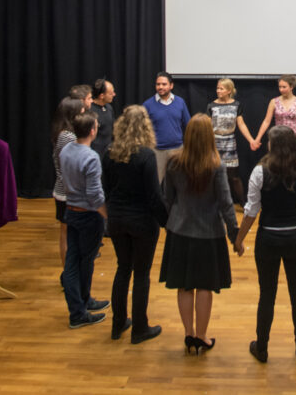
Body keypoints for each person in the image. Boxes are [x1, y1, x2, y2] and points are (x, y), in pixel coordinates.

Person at [234, 126, 296, 363]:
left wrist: (239, 240)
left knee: (267, 294)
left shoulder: (259, 172)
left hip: (268, 238)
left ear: (273, 146)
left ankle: (262, 348)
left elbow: (251, 211)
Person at [159, 114, 238, 354]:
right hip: (209, 233)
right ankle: (202, 336)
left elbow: (167, 199)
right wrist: (235, 235)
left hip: (180, 231)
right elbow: (226, 204)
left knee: (184, 286)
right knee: (204, 286)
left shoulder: (173, 162)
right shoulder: (217, 165)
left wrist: (168, 223)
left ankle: (188, 334)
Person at [102, 105, 167, 344]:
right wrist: (166, 222)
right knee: (141, 274)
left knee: (122, 268)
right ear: (145, 126)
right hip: (142, 222)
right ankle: (140, 328)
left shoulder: (109, 152)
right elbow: (154, 196)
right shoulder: (146, 155)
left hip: (117, 220)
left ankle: (118, 324)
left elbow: (106, 189)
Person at [60, 112, 111, 329]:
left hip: (71, 211)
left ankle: (84, 301)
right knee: (82, 263)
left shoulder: (65, 150)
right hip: (88, 215)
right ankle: (78, 313)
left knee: (74, 261)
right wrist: (108, 216)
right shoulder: (91, 157)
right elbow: (95, 195)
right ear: (92, 130)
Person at [206, 78, 258, 206]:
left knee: (234, 177)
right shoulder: (211, 106)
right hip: (214, 143)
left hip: (230, 143)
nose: (218, 91)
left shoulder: (236, 105)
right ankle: (211, 204)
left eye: (221, 89)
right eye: (217, 88)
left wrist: (252, 140)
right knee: (212, 175)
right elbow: (206, 125)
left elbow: (241, 124)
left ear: (229, 91)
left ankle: (243, 202)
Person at [52, 96, 86, 268]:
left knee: (68, 233)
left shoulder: (64, 133)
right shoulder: (68, 137)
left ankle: (70, 272)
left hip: (66, 192)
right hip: (68, 194)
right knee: (67, 233)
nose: (84, 112)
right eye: (81, 110)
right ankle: (69, 273)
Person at [142, 72, 191, 183]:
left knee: (180, 183)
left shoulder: (180, 102)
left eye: (164, 84)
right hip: (156, 151)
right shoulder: (147, 105)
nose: (160, 87)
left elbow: (188, 125)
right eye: (158, 84)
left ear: (171, 85)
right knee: (154, 183)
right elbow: (142, 130)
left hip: (177, 150)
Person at [253, 75, 296, 151]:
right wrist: (257, 139)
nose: (281, 89)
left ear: (291, 87)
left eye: (284, 87)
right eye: (280, 87)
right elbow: (266, 121)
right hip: (277, 137)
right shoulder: (274, 102)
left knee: (293, 161)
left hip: (293, 138)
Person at [90, 77, 117, 157]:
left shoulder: (109, 108)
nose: (114, 94)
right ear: (102, 96)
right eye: (111, 93)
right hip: (96, 155)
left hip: (109, 155)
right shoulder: (90, 112)